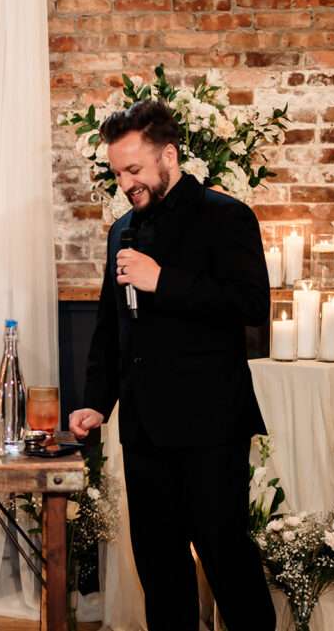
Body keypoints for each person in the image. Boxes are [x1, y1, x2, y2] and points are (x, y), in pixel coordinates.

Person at [69, 100, 275, 630]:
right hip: (143, 431)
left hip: (211, 427)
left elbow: (251, 306)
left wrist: (164, 281)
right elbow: (111, 329)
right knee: (159, 572)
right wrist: (96, 401)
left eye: (134, 170)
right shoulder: (120, 230)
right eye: (117, 173)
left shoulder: (226, 216)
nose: (126, 183)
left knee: (227, 561)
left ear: (169, 155)